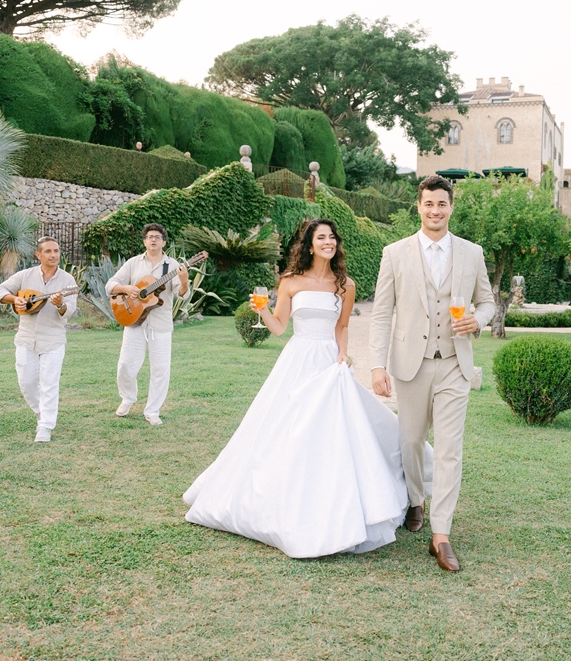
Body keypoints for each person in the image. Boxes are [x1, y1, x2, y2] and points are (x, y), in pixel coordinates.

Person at [183, 219, 428, 558]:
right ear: (310, 246)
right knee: (282, 429)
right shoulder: (289, 281)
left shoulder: (345, 285)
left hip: (328, 362)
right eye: (321, 237)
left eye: (332, 237)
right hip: (297, 359)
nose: (328, 242)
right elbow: (280, 327)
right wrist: (264, 309)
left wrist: (342, 354)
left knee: (331, 433)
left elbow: (342, 327)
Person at [370, 175, 495, 572]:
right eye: (429, 204)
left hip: (455, 365)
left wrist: (478, 320)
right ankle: (415, 499)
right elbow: (381, 313)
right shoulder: (394, 253)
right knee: (410, 441)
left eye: (442, 204)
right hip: (411, 363)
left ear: (451, 207)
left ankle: (441, 535)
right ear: (418, 206)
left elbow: (488, 301)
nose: (435, 211)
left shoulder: (472, 252)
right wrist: (376, 364)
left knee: (449, 450)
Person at [0, 236, 77, 443]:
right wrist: (15, 299)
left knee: (49, 383)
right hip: (26, 338)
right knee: (27, 382)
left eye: (56, 251)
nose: (53, 255)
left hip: (53, 339)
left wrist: (59, 304)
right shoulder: (25, 276)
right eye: (48, 251)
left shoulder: (68, 282)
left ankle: (46, 426)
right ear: (38, 255)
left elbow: (69, 310)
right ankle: (41, 413)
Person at [106, 223, 190, 424]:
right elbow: (111, 285)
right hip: (134, 322)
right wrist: (127, 289)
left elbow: (183, 295)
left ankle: (152, 411)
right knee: (125, 365)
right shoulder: (134, 263)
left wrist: (184, 280)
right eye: (150, 236)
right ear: (144, 241)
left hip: (160, 325)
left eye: (157, 237)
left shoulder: (172, 266)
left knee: (160, 369)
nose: (153, 239)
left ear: (164, 242)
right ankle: (127, 398)